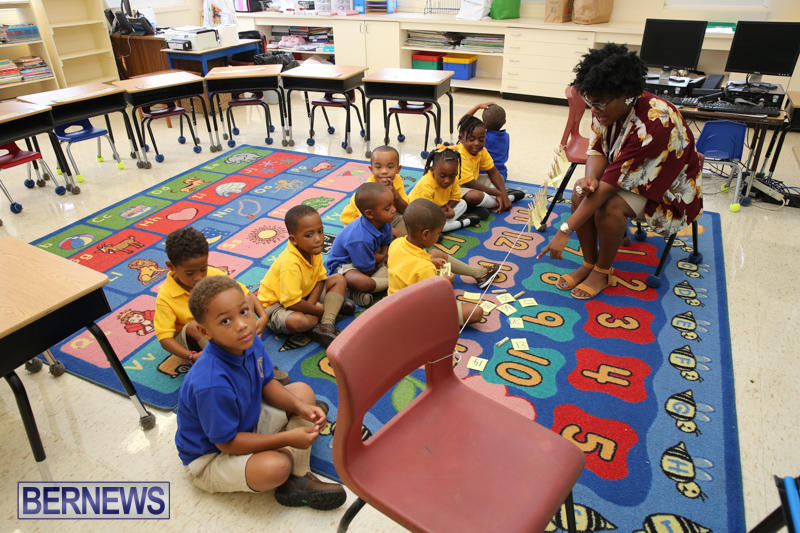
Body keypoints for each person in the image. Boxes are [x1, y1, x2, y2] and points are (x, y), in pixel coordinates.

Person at [538, 43, 703, 300]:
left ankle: (603, 271)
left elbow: (609, 189)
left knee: (610, 207)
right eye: (589, 102)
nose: (594, 110)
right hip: (629, 175)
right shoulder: (605, 104)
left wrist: (564, 230)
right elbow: (597, 149)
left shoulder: (655, 122)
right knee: (581, 190)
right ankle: (590, 263)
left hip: (667, 192)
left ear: (627, 95)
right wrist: (590, 178)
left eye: (599, 104)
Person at [175, 275, 346, 509]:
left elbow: (266, 383)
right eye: (225, 321)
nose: (242, 324)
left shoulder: (248, 341)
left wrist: (300, 408)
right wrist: (287, 438)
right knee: (276, 467)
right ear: (205, 331)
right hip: (212, 457)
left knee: (302, 393)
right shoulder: (211, 383)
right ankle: (293, 471)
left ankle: (297, 477)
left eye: (244, 311)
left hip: (247, 422)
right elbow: (227, 443)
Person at [154, 227, 289, 382]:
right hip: (194, 338)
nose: (198, 278)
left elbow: (247, 295)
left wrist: (263, 317)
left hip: (219, 325)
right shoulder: (166, 296)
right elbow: (165, 339)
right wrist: (191, 356)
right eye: (190, 273)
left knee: (241, 303)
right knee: (195, 325)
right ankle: (238, 366)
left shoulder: (213, 274)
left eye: (203, 269)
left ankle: (256, 361)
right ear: (171, 266)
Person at [257, 205, 354, 347]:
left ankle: (326, 324)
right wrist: (317, 309)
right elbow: (292, 303)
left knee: (339, 279)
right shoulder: (290, 264)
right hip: (278, 305)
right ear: (294, 239)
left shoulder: (313, 250)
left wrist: (311, 306)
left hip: (304, 295)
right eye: (309, 235)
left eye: (320, 231)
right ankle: (328, 311)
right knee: (298, 321)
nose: (318, 239)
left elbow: (320, 280)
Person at [388, 198, 484, 326]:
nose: (439, 236)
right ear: (425, 234)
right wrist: (445, 282)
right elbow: (433, 299)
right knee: (476, 312)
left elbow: (406, 265)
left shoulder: (396, 243)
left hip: (393, 303)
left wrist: (430, 261)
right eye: (438, 233)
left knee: (434, 254)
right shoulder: (425, 268)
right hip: (413, 314)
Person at [326, 182, 393, 308]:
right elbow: (366, 270)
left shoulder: (385, 221)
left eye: (392, 204)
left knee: (399, 254)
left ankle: (371, 287)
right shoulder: (360, 239)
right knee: (363, 282)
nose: (394, 210)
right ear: (370, 214)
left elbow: (386, 243)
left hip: (370, 257)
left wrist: (384, 255)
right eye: (387, 208)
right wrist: (382, 258)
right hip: (345, 265)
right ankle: (352, 291)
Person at [456, 114, 525, 218]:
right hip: (458, 188)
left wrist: (502, 194)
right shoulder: (460, 155)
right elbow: (472, 185)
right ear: (461, 139)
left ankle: (499, 199)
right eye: (471, 139)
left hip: (473, 181)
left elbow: (493, 172)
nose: (477, 143)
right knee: (475, 196)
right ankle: (501, 201)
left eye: (481, 139)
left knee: (500, 177)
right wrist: (498, 193)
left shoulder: (482, 151)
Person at [339, 145, 409, 237]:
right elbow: (366, 221)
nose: (384, 171)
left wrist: (395, 195)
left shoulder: (397, 180)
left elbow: (405, 210)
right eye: (378, 167)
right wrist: (392, 231)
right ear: (371, 169)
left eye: (390, 167)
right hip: (356, 222)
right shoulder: (369, 190)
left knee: (411, 222)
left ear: (398, 169)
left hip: (382, 216)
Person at [408, 146, 479, 233]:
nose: (447, 180)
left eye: (452, 176)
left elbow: (456, 197)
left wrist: (448, 208)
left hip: (441, 209)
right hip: (421, 213)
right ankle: (464, 223)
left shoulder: (453, 178)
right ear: (432, 169)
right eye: (442, 176)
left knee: (463, 204)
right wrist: (446, 214)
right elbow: (427, 212)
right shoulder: (426, 185)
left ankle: (439, 228)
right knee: (426, 223)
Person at [466, 102, 509, 179]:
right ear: (504, 121)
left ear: (483, 123)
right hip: (500, 174)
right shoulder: (506, 136)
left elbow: (464, 121)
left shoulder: (482, 138)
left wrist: (478, 106)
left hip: (481, 174)